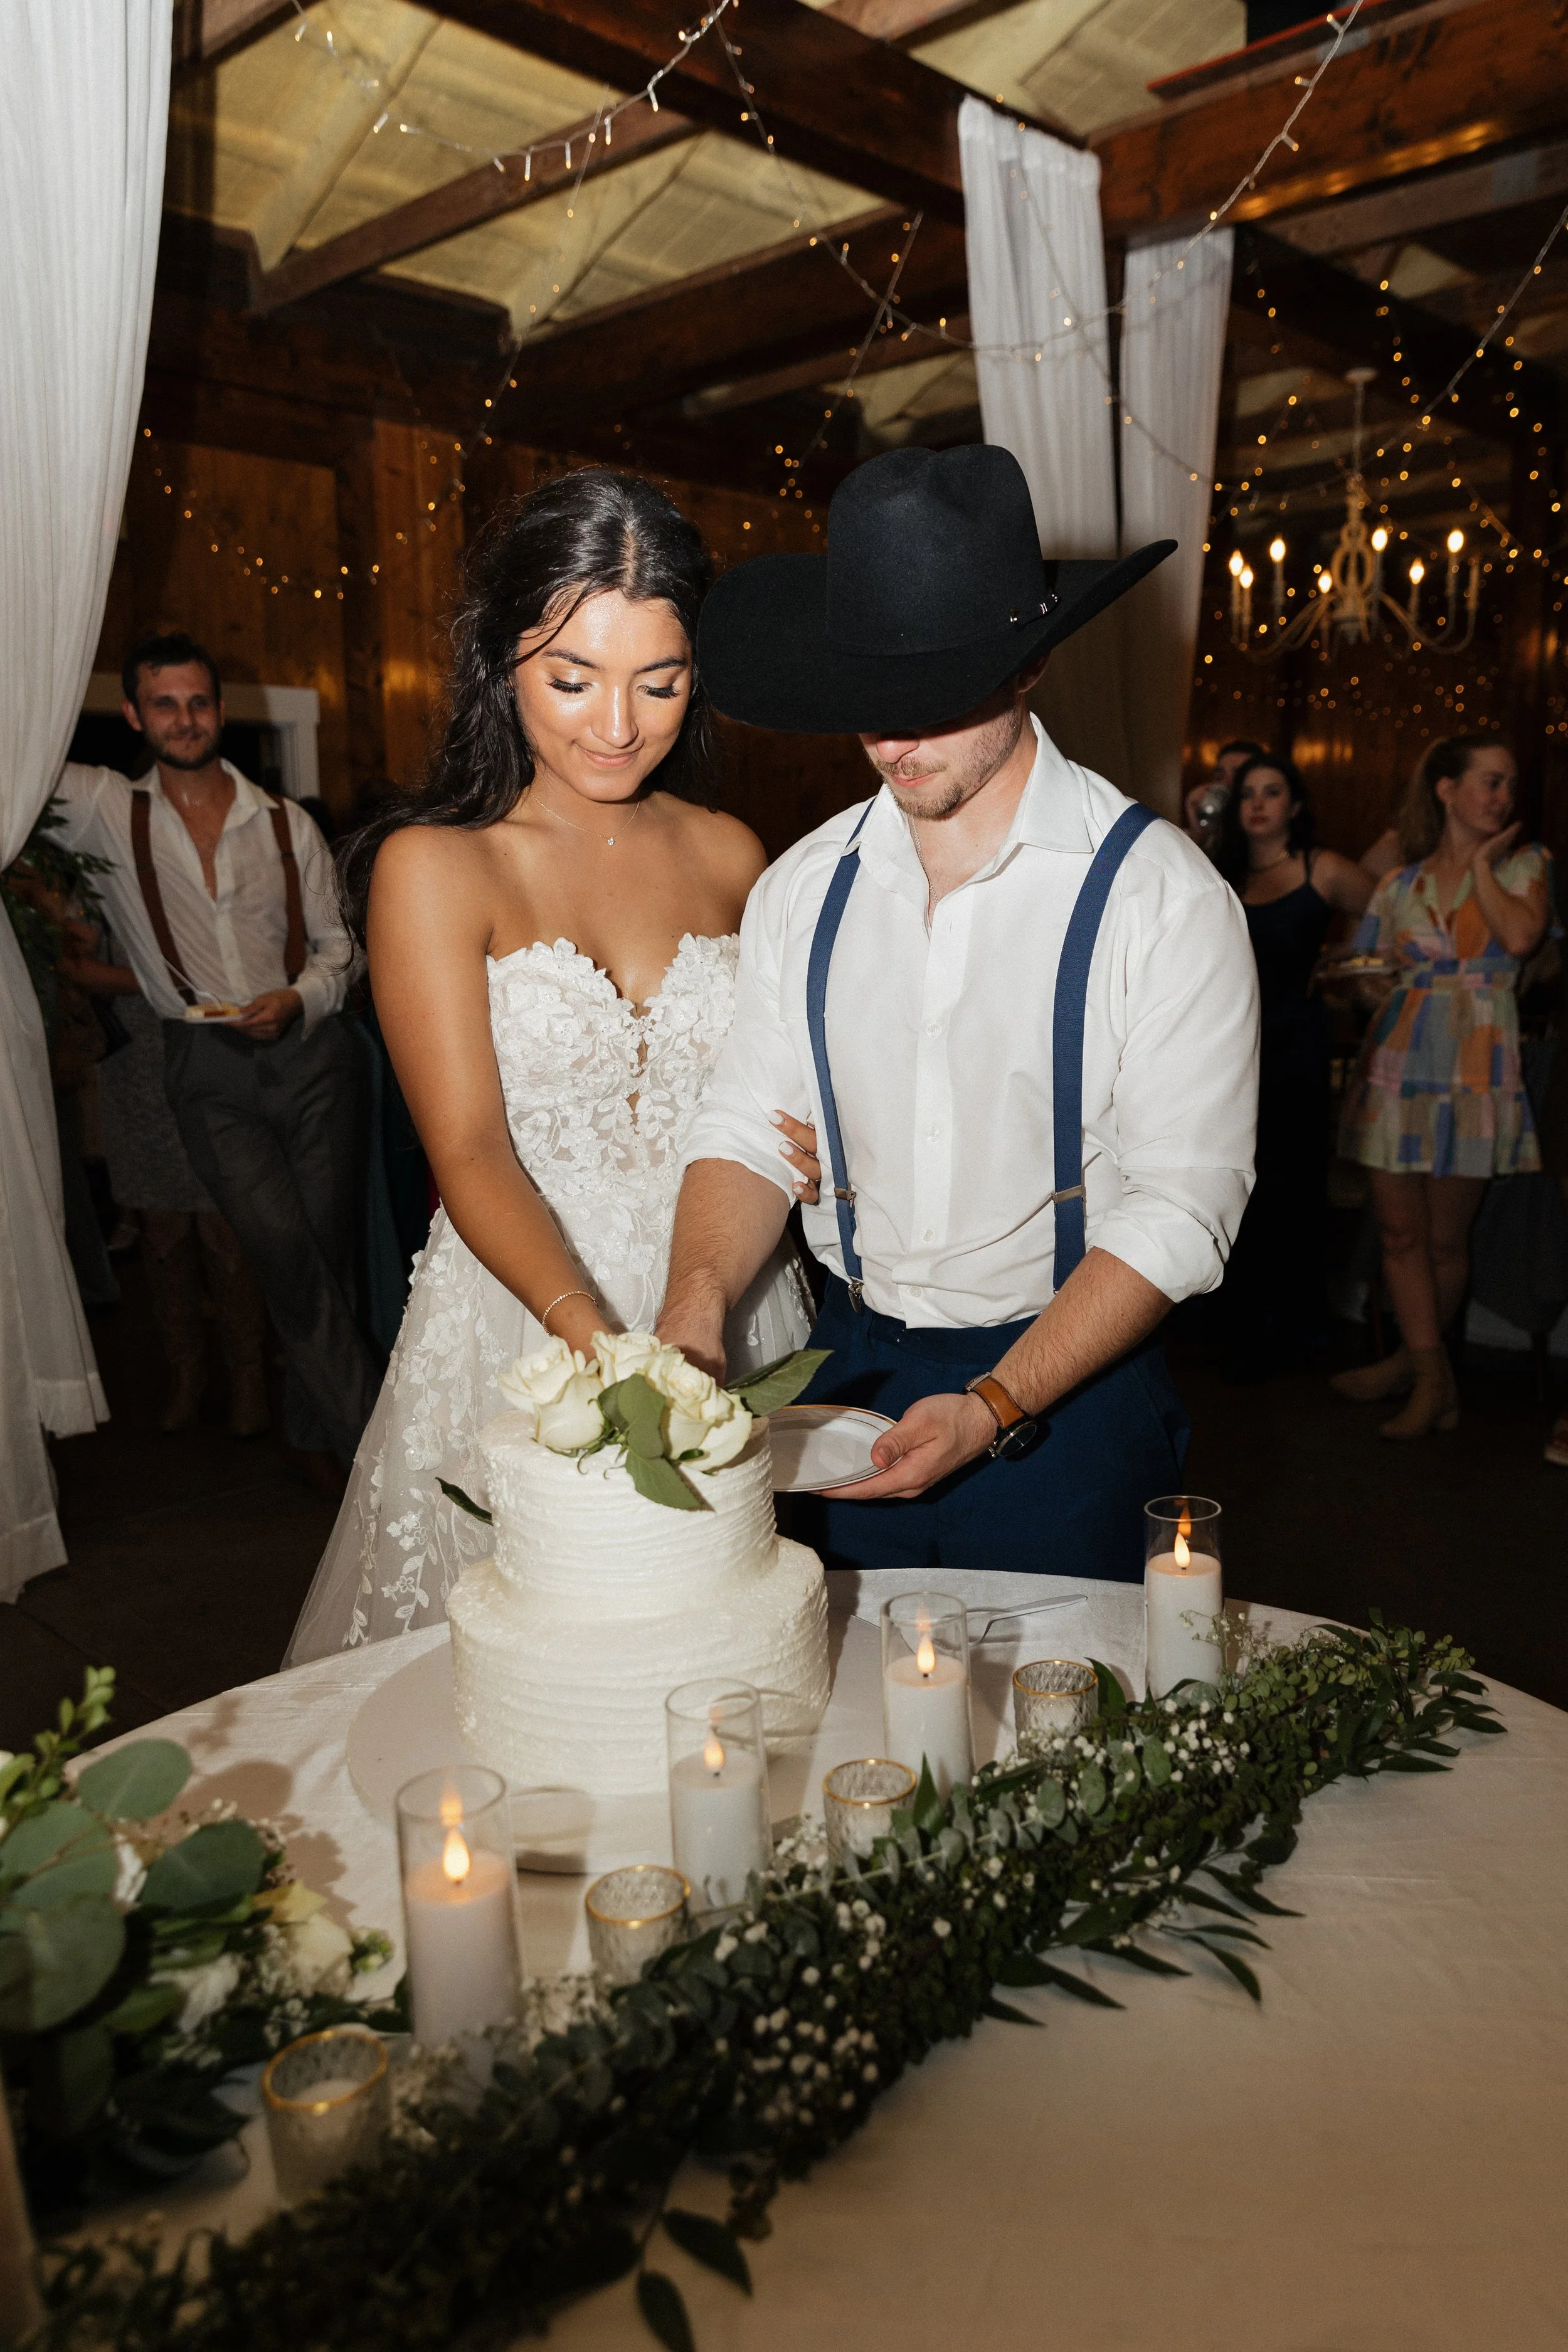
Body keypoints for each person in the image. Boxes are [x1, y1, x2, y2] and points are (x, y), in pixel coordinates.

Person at [655, 444, 1260, 1581]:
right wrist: (695, 1311)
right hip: (850, 1380)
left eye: (932, 696)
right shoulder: (803, 889)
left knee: (1068, 1748)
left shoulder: (1159, 897)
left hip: (1068, 1398)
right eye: (866, 700)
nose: (892, 740)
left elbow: (1184, 1208)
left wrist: (994, 1401)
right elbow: (742, 1127)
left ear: (1028, 669)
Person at [285, 470, 819, 1663]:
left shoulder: (736, 854)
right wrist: (605, 1353)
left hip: (730, 1295)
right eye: (571, 680)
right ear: (501, 664)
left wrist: (830, 1151)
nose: (617, 724)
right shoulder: (437, 866)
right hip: (529, 1318)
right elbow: (466, 1148)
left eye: (660, 682)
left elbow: (783, 1088)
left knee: (729, 1650)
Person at [52, 632, 377, 1476]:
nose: (185, 718)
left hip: (312, 1055)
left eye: (199, 702)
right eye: (165, 702)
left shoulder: (284, 822)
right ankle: (376, 1447)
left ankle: (318, 1433)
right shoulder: (102, 807)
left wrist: (299, 997)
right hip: (205, 1068)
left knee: (326, 1249)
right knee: (281, 1248)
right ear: (133, 713)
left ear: (221, 711)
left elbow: (342, 949)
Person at [1333, 733, 1552, 1438]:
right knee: (1399, 1233)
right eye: (1489, 782)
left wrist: (1481, 863)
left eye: (1509, 786)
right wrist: (1365, 984)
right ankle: (1428, 1375)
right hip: (1399, 1061)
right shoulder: (1399, 884)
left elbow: (1518, 940)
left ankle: (1417, 1368)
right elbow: (1362, 967)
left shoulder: (1524, 865)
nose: (1502, 797)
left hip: (1474, 1069)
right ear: (1446, 789)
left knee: (1443, 1241)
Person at [1212, 754, 1371, 1375]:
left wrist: (1343, 961)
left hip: (1296, 1046)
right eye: (1247, 793)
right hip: (1228, 1048)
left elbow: (1389, 906)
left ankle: (1294, 1325)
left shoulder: (1320, 867)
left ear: (1294, 805)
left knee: (1293, 1183)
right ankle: (1235, 1320)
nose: (1257, 804)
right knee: (1234, 1180)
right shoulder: (1219, 870)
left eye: (1271, 792)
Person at [1183, 738, 1264, 854]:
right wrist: (1199, 830)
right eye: (1220, 776)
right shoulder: (1208, 837)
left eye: (1238, 776)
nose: (1226, 783)